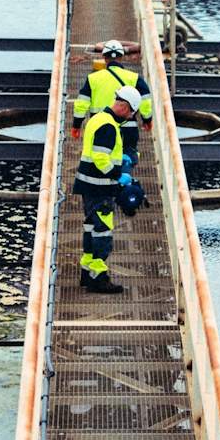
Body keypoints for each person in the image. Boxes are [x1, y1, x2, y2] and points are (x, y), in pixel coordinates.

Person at [75, 86, 139, 293]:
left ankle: (86, 272)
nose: (130, 117)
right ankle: (98, 278)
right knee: (102, 232)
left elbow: (100, 153)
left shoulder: (98, 118)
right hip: (100, 187)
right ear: (124, 106)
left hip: (89, 185)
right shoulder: (108, 126)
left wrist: (119, 161)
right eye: (130, 113)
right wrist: (118, 175)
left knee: (91, 228)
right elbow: (101, 157)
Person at [72, 39, 153, 160]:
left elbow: (81, 104)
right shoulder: (134, 78)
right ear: (122, 57)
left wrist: (76, 125)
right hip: (128, 128)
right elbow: (145, 101)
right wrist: (147, 120)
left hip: (100, 128)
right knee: (126, 160)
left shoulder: (93, 79)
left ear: (104, 57)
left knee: (100, 159)